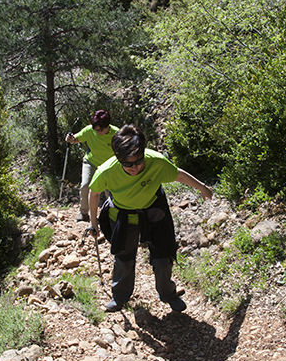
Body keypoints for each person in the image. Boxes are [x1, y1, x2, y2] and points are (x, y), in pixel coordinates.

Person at [88, 124, 213, 313]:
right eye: (127, 164)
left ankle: (168, 294)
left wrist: (202, 187)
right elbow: (94, 193)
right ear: (118, 158)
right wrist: (93, 222)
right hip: (123, 215)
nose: (134, 168)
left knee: (163, 256)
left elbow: (178, 175)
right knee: (124, 257)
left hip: (154, 210)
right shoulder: (107, 171)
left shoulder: (156, 161)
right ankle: (119, 296)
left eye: (138, 161)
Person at [65, 110, 119, 222]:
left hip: (109, 165)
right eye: (96, 129)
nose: (97, 132)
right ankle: (83, 213)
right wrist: (70, 139)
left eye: (100, 129)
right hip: (91, 162)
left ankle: (111, 215)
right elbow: (76, 139)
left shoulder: (116, 134)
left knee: (110, 190)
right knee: (85, 185)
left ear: (107, 126)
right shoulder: (89, 130)